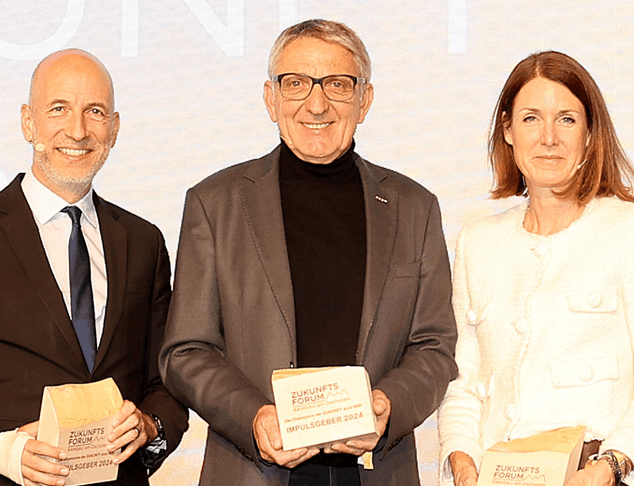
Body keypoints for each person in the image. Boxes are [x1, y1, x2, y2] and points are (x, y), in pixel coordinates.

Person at [160, 19, 457, 486]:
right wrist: (254, 420)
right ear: (270, 98)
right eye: (295, 83)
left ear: (365, 100)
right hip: (253, 470)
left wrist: (388, 407)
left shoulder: (415, 207)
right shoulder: (214, 203)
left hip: (376, 471)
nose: (316, 103)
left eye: (338, 84)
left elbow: (435, 346)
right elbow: (186, 350)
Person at [0, 49, 188, 486]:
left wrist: (150, 424)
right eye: (59, 108)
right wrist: (1, 450)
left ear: (114, 129)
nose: (77, 130)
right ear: (28, 122)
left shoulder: (143, 241)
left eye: (94, 112)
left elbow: (168, 379)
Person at [438, 50, 634, 486]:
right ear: (507, 131)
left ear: (590, 133)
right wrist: (460, 461)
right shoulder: (477, 242)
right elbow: (462, 382)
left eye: (567, 120)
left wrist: (611, 466)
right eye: (531, 119)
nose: (548, 138)